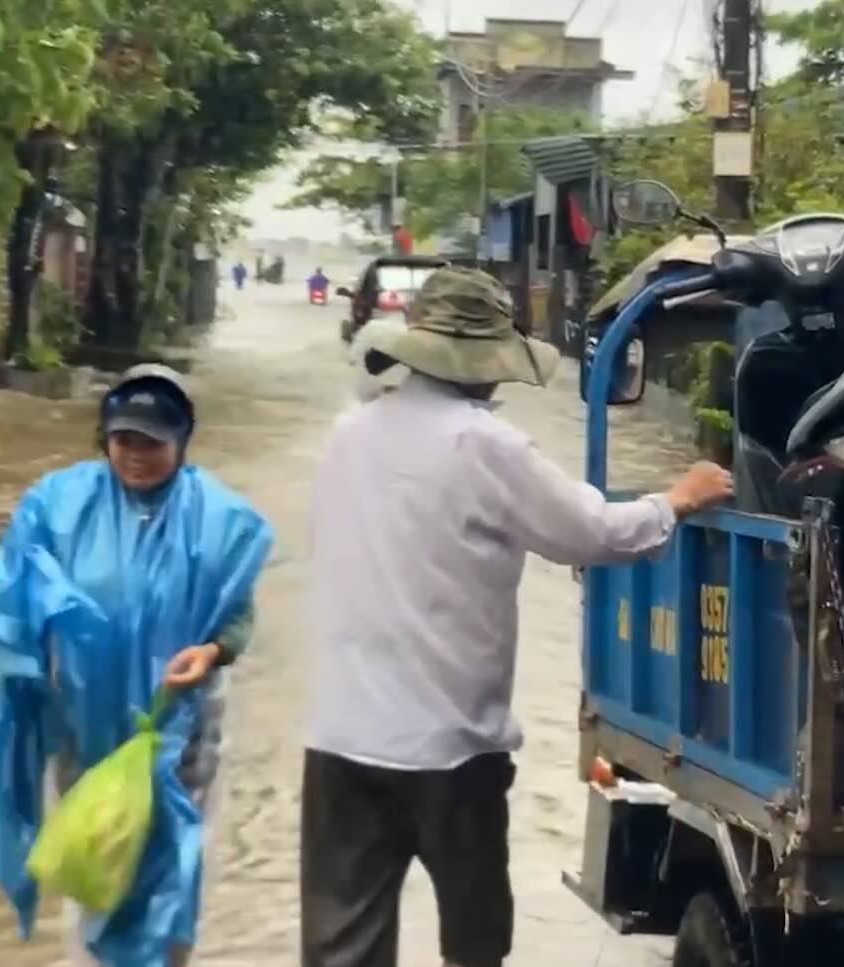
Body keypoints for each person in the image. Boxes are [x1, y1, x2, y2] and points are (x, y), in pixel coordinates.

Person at [302, 267, 734, 967]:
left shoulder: (348, 433)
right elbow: (592, 533)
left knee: (340, 947)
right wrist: (678, 497)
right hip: (451, 745)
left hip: (341, 736)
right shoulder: (485, 445)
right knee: (475, 941)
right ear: (486, 361)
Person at [0, 364, 274, 966]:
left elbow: (236, 614)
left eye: (152, 442)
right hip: (84, 720)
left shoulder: (217, 520)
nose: (135, 455)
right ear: (103, 435)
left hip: (177, 728)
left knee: (169, 866)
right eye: (123, 438)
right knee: (93, 851)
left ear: (182, 440)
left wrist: (211, 652)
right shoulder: (58, 505)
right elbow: (2, 588)